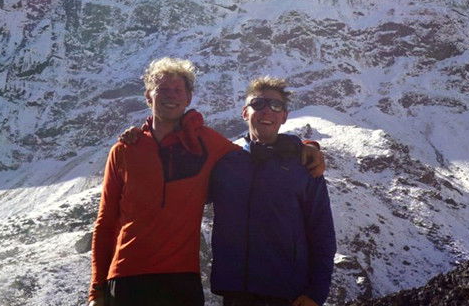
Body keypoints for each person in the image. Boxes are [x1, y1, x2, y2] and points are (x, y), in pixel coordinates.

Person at [88, 59, 324, 306]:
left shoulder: (207, 144)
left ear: (188, 98)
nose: (171, 96)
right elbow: (105, 223)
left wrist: (305, 147)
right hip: (127, 278)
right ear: (149, 96)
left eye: (178, 90)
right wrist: (97, 290)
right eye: (162, 89)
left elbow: (253, 154)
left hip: (182, 282)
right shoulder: (124, 150)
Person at [209, 77, 335, 306]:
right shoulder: (224, 163)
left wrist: (316, 292)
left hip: (288, 295)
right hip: (235, 293)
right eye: (258, 103)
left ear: (285, 116)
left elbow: (322, 231)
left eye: (276, 105)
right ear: (245, 112)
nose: (266, 110)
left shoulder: (304, 165)